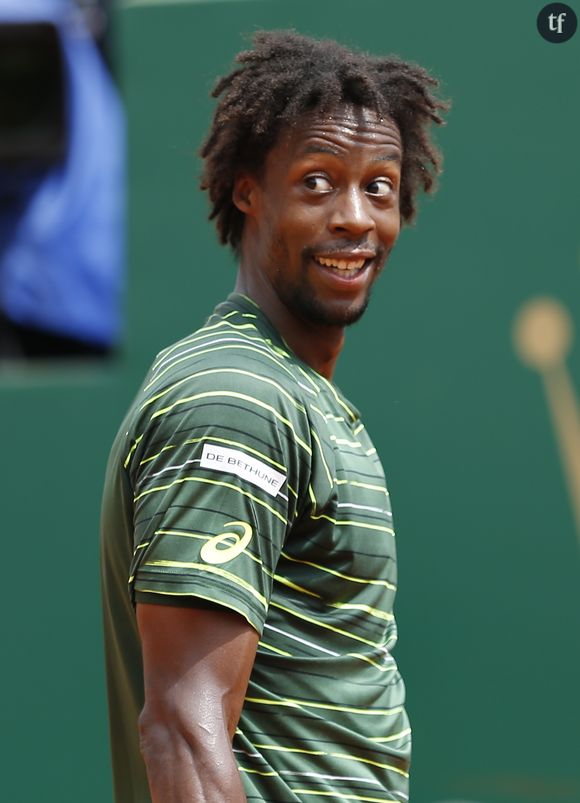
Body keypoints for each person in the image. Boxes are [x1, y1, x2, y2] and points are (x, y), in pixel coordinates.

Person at [100, 29, 447, 803]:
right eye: (319, 181)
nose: (357, 218)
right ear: (248, 187)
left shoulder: (295, 395)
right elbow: (183, 733)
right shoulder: (237, 395)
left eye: (379, 186)